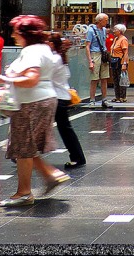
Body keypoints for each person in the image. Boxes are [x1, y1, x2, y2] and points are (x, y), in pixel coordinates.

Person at [0, 15, 71, 208]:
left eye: (15, 31)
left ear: (24, 33)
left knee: (23, 148)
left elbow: (32, 79)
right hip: (42, 99)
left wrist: (5, 79)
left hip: (31, 102)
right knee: (25, 146)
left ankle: (24, 193)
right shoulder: (43, 49)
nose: (13, 35)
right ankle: (50, 175)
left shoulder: (32, 52)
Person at [48, 32, 86, 170]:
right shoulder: (61, 58)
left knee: (61, 129)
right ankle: (78, 157)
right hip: (61, 98)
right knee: (65, 129)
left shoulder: (54, 59)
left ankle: (78, 157)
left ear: (51, 44)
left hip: (56, 99)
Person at [85, 13, 111, 107]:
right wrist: (90, 61)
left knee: (104, 78)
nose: (107, 22)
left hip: (103, 54)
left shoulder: (104, 30)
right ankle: (92, 100)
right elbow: (87, 46)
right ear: (100, 20)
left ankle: (104, 100)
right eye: (105, 20)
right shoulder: (91, 31)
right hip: (95, 54)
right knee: (94, 79)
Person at [108, 24, 130, 103]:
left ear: (120, 31)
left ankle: (122, 97)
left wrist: (124, 63)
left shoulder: (123, 39)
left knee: (121, 79)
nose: (113, 31)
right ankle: (117, 96)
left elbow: (126, 52)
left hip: (121, 62)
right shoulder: (116, 39)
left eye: (115, 29)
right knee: (115, 79)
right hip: (114, 61)